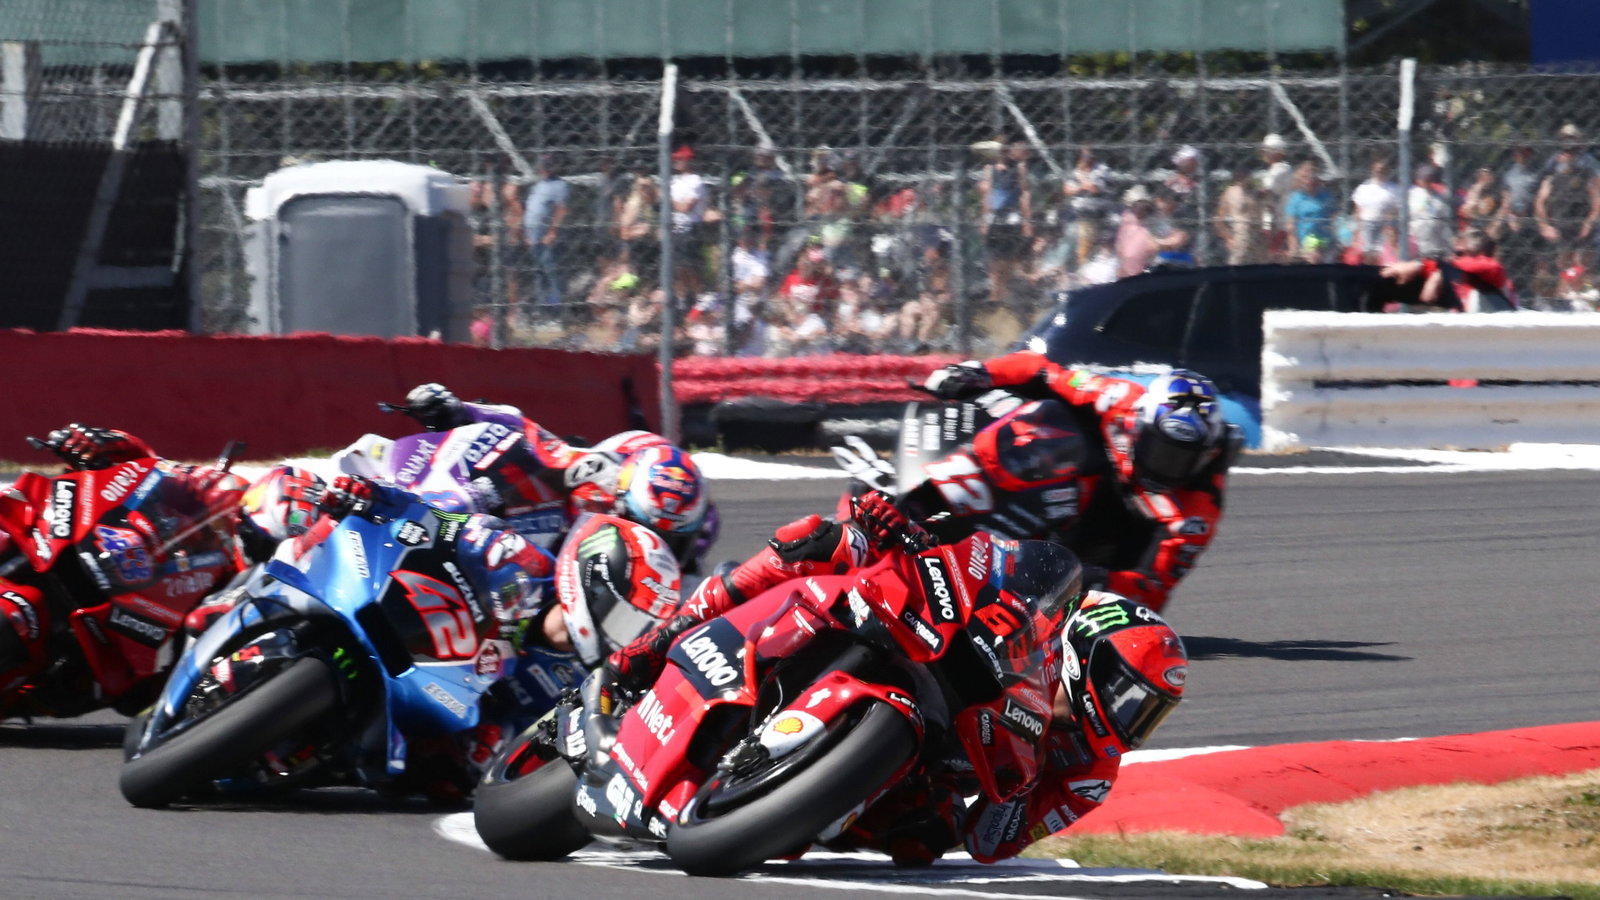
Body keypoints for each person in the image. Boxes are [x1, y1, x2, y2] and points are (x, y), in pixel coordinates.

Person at [595, 490, 1187, 866]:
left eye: (1147, 713)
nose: (1131, 719)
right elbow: (977, 550)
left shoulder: (1090, 775)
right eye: (1130, 696)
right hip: (925, 647)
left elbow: (989, 843)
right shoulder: (1038, 626)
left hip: (942, 754)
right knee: (820, 540)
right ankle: (658, 643)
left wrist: (1016, 790)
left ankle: (798, 802)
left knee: (922, 840)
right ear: (1087, 649)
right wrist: (908, 528)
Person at [918, 357, 1234, 614]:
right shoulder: (1118, 398)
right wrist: (981, 373)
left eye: (1183, 459)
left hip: (1107, 558)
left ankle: (1013, 578)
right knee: (1051, 429)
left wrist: (1086, 578)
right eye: (1161, 450)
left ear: (1208, 454)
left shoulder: (1195, 514)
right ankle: (942, 493)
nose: (1168, 467)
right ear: (1140, 425)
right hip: (1078, 493)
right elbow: (1042, 370)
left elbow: (1151, 591)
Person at [395, 383, 717, 573]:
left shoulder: (688, 536)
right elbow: (528, 433)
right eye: (645, 528)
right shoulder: (595, 479)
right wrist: (461, 412)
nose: (655, 545)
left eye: (674, 540)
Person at [1380, 228, 1517, 313]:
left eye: (1459, 253)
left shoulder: (1492, 270)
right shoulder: (1458, 278)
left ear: (1478, 253)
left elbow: (1489, 266)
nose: (1453, 257)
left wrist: (1423, 265)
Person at [522, 154, 571, 322]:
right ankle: (542, 311)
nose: (542, 169)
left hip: (548, 238)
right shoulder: (538, 185)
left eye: (545, 166)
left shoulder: (559, 185)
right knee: (539, 275)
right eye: (542, 166)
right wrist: (527, 234)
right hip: (534, 238)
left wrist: (552, 232)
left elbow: (561, 209)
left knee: (552, 274)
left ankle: (555, 313)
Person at [1283, 162, 1337, 262]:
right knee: (1313, 257)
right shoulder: (1296, 198)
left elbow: (1334, 215)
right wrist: (1293, 247)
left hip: (1325, 237)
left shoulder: (1326, 195)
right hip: (1307, 238)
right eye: (1305, 178)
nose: (1308, 181)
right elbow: (1290, 224)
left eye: (1312, 178)